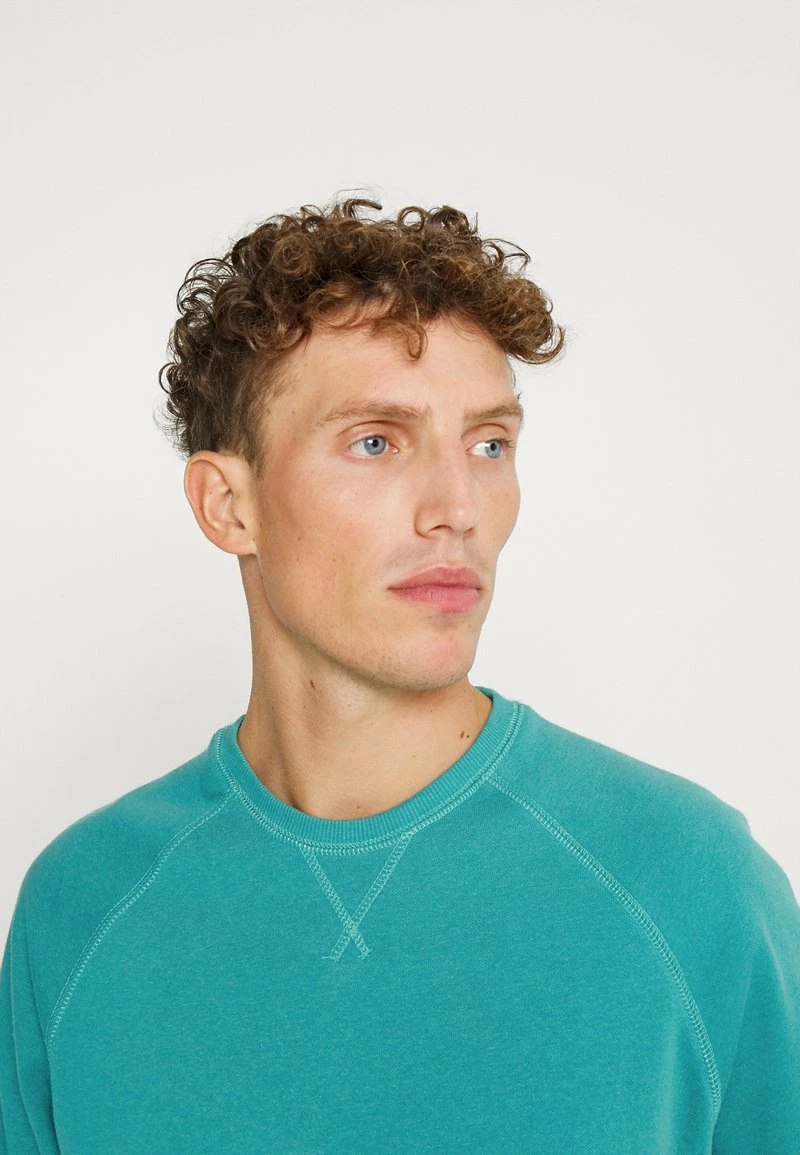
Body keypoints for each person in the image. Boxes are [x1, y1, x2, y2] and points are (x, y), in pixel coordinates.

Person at [1, 195, 798, 1153]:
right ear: (228, 505)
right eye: (376, 441)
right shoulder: (83, 908)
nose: (457, 507)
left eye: (489, 445)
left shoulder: (690, 884)